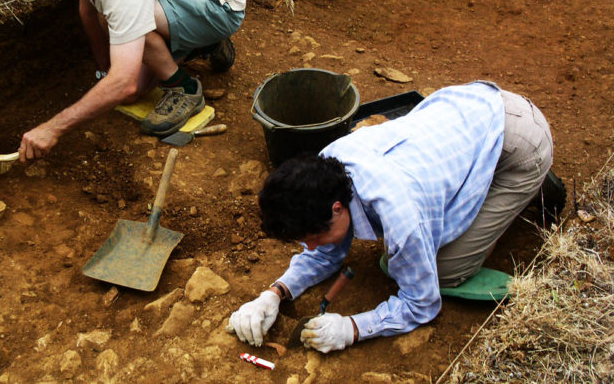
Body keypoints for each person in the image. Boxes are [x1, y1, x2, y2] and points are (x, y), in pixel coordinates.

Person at [226, 81, 554, 352]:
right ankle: (489, 173)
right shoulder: (326, 167)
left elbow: (423, 302)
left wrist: (353, 328)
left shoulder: (402, 218)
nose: (310, 247)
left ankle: (529, 182)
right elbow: (326, 253)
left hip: (520, 144)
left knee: (441, 270)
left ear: (336, 209)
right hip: (467, 109)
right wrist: (273, 294)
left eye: (313, 238)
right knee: (398, 257)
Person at [16, 0, 246, 161]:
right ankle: (200, 41)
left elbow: (125, 85)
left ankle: (185, 88)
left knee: (128, 46)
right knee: (129, 60)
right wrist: (104, 71)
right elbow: (87, 9)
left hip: (219, 5)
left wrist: (52, 128)